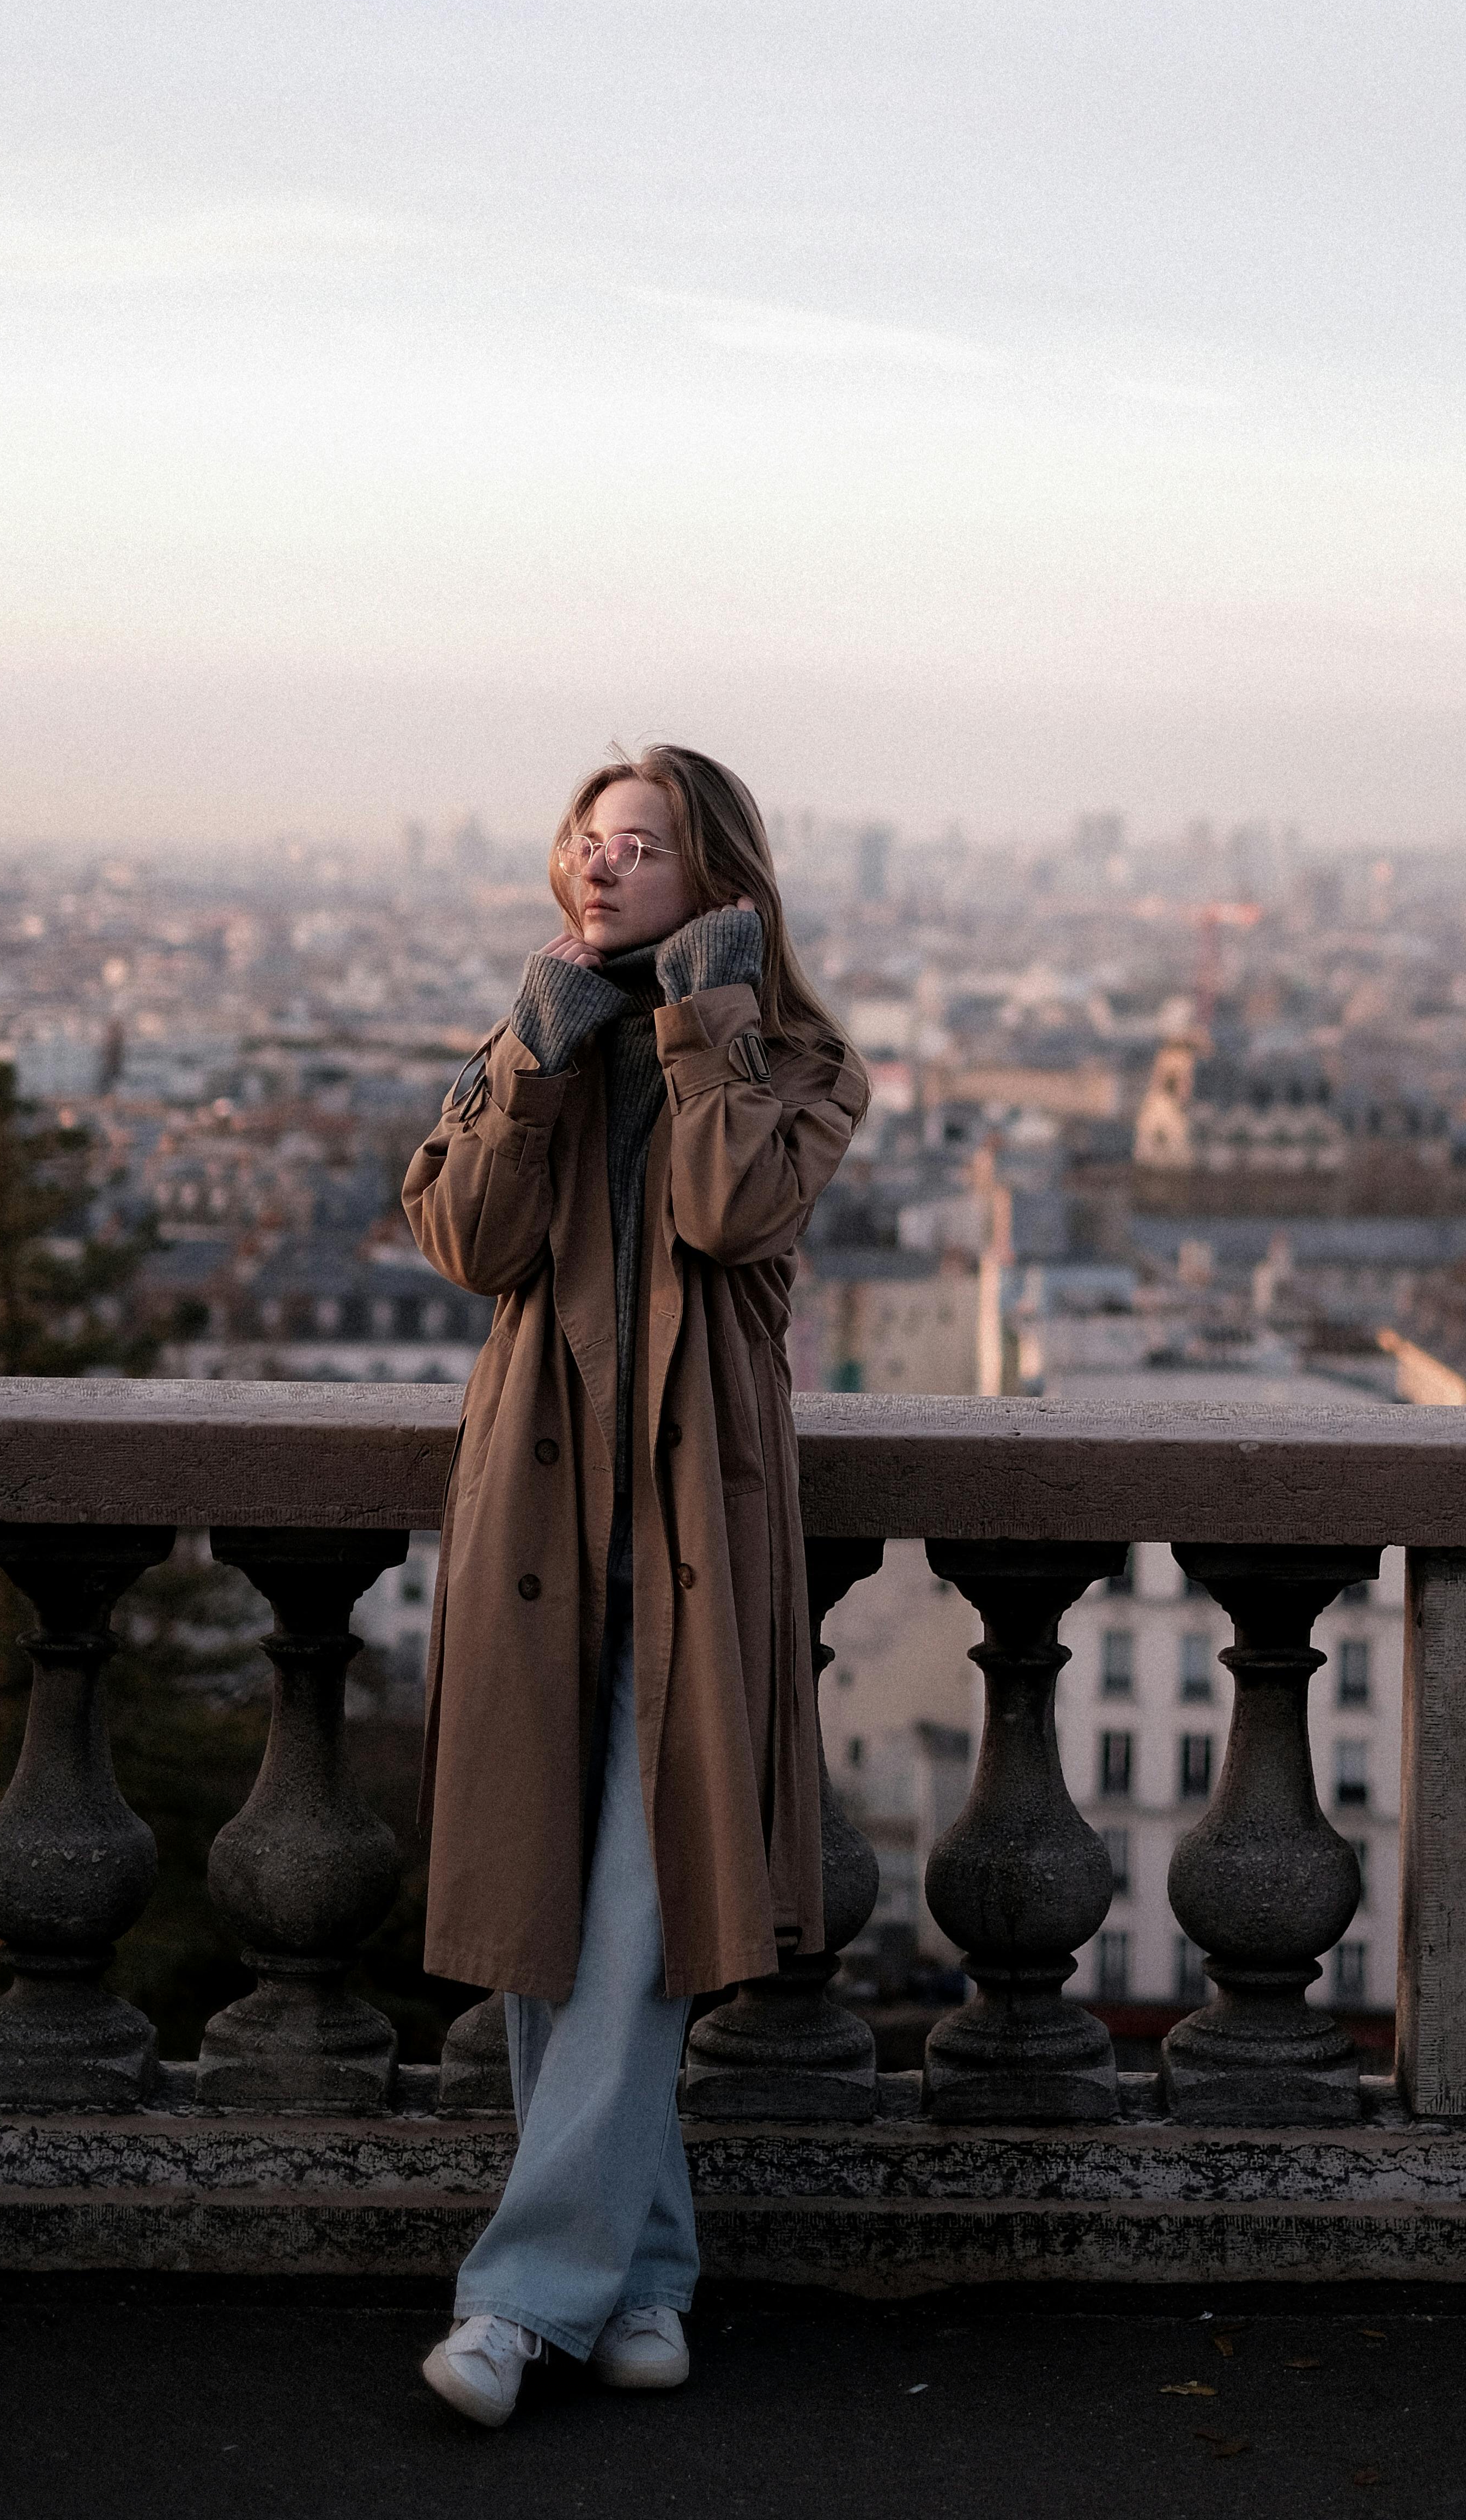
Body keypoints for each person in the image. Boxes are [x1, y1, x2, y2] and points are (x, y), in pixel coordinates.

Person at [403, 745, 867, 2428]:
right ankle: (647, 2274)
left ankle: (518, 2304)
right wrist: (538, 1051)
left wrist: (699, 1025)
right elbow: (466, 1243)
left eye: (644, 847)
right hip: (539, 1520)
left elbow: (730, 1207)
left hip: (695, 1529)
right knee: (560, 1914)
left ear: (721, 880)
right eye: (588, 843)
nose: (602, 869)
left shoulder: (796, 1062)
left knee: (631, 1915)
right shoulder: (533, 1040)